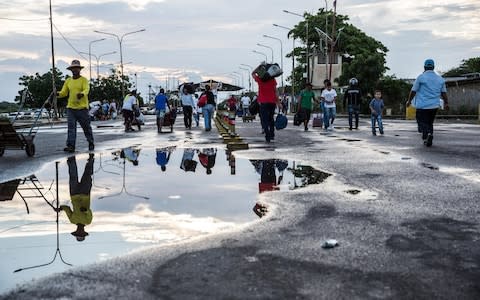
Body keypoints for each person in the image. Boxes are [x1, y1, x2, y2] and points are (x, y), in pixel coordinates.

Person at [407, 59, 449, 147]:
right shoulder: (440, 79)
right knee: (430, 122)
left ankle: (428, 134)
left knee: (421, 122)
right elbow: (443, 93)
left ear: (424, 67)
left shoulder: (421, 77)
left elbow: (413, 91)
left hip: (422, 106)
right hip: (434, 106)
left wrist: (409, 101)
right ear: (433, 67)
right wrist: (446, 103)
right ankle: (428, 136)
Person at [57, 59, 94, 152]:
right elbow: (64, 93)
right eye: (73, 68)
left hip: (82, 108)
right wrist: (57, 94)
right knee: (71, 128)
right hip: (71, 108)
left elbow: (87, 89)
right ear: (71, 70)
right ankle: (71, 146)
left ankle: (90, 142)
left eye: (76, 68)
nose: (75, 70)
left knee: (86, 127)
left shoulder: (84, 80)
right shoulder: (68, 81)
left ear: (79, 69)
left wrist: (82, 94)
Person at [56, 154, 94, 242]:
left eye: (77, 233)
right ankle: (91, 160)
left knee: (73, 175)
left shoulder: (73, 220)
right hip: (85, 194)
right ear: (84, 232)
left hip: (74, 193)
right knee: (87, 174)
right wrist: (86, 210)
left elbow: (67, 209)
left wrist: (60, 209)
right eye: (81, 233)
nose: (79, 231)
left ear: (75, 231)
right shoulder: (88, 221)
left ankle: (71, 158)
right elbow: (89, 213)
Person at [252, 69, 282, 142]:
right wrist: (278, 102)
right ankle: (272, 134)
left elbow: (253, 73)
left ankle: (267, 134)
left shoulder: (260, 80)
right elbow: (276, 91)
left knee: (264, 120)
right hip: (272, 102)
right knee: (271, 118)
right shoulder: (272, 80)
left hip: (263, 103)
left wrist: (258, 68)